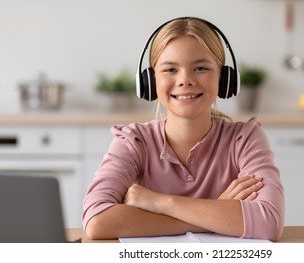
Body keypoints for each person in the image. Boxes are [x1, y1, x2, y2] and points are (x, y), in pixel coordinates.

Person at [82, 17, 284, 241]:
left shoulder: (245, 138)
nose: (185, 80)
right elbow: (97, 221)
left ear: (224, 78)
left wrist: (160, 202)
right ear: (150, 81)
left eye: (200, 68)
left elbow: (268, 222)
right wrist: (216, 211)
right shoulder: (133, 141)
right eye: (170, 69)